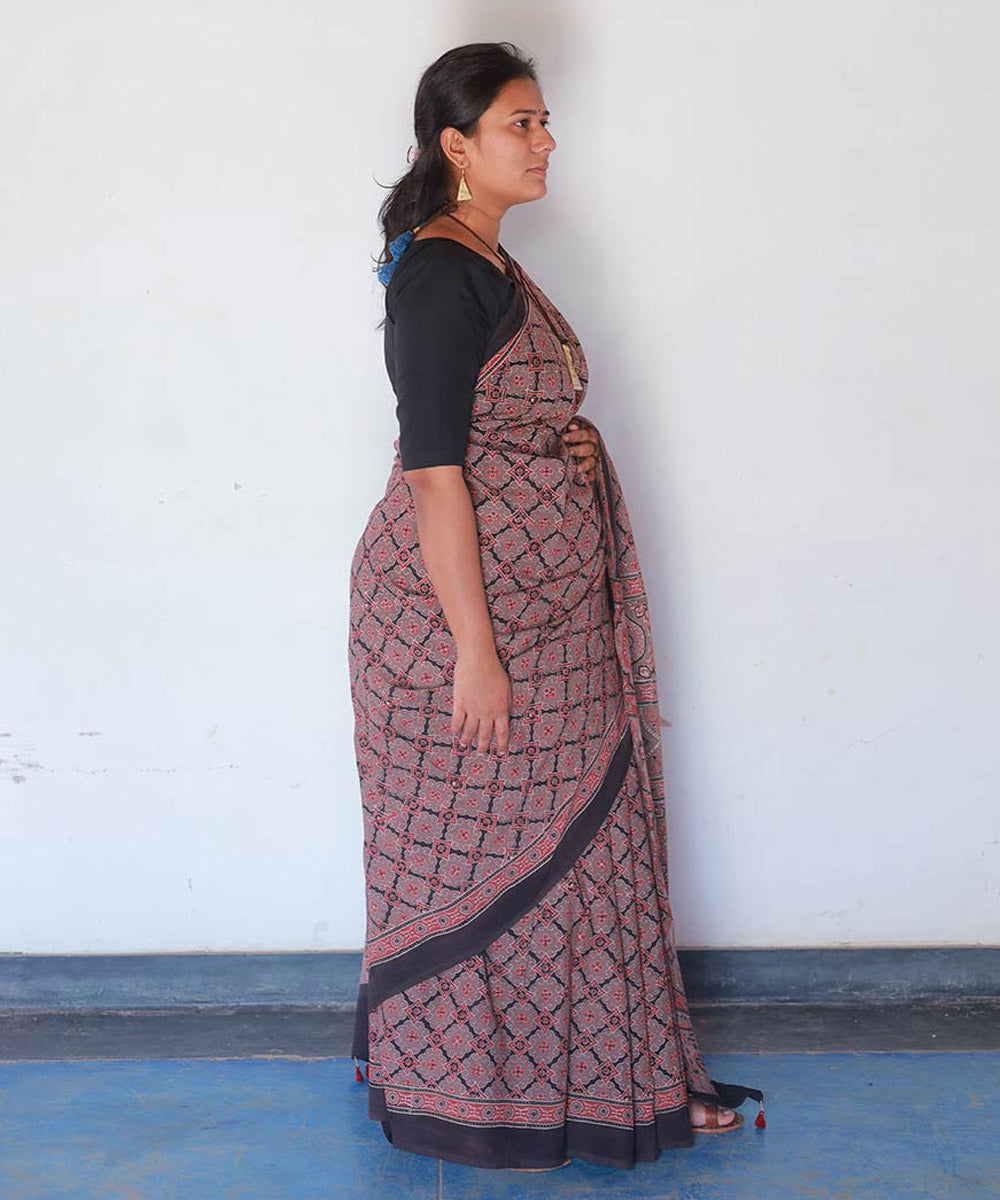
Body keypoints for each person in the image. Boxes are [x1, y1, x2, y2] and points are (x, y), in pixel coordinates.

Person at [348, 41, 765, 1171]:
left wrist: (559, 437)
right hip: (456, 621)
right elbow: (435, 471)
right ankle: (474, 1090)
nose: (544, 142)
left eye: (544, 123)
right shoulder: (439, 271)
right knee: (493, 858)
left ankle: (619, 1082)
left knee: (595, 839)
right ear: (457, 146)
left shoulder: (487, 261)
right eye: (520, 124)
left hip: (547, 612)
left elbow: (492, 419)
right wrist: (474, 655)